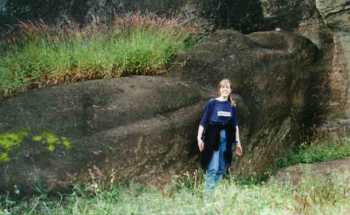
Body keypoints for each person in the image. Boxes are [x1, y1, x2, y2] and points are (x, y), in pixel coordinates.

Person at [197, 78, 242, 193]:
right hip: (213, 139)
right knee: (213, 167)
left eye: (227, 87)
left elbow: (235, 125)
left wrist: (238, 143)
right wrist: (199, 138)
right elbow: (203, 121)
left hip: (226, 140)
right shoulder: (212, 103)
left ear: (230, 90)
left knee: (221, 168)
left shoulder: (232, 105)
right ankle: (207, 198)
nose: (225, 89)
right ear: (219, 89)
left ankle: (212, 192)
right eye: (223, 87)